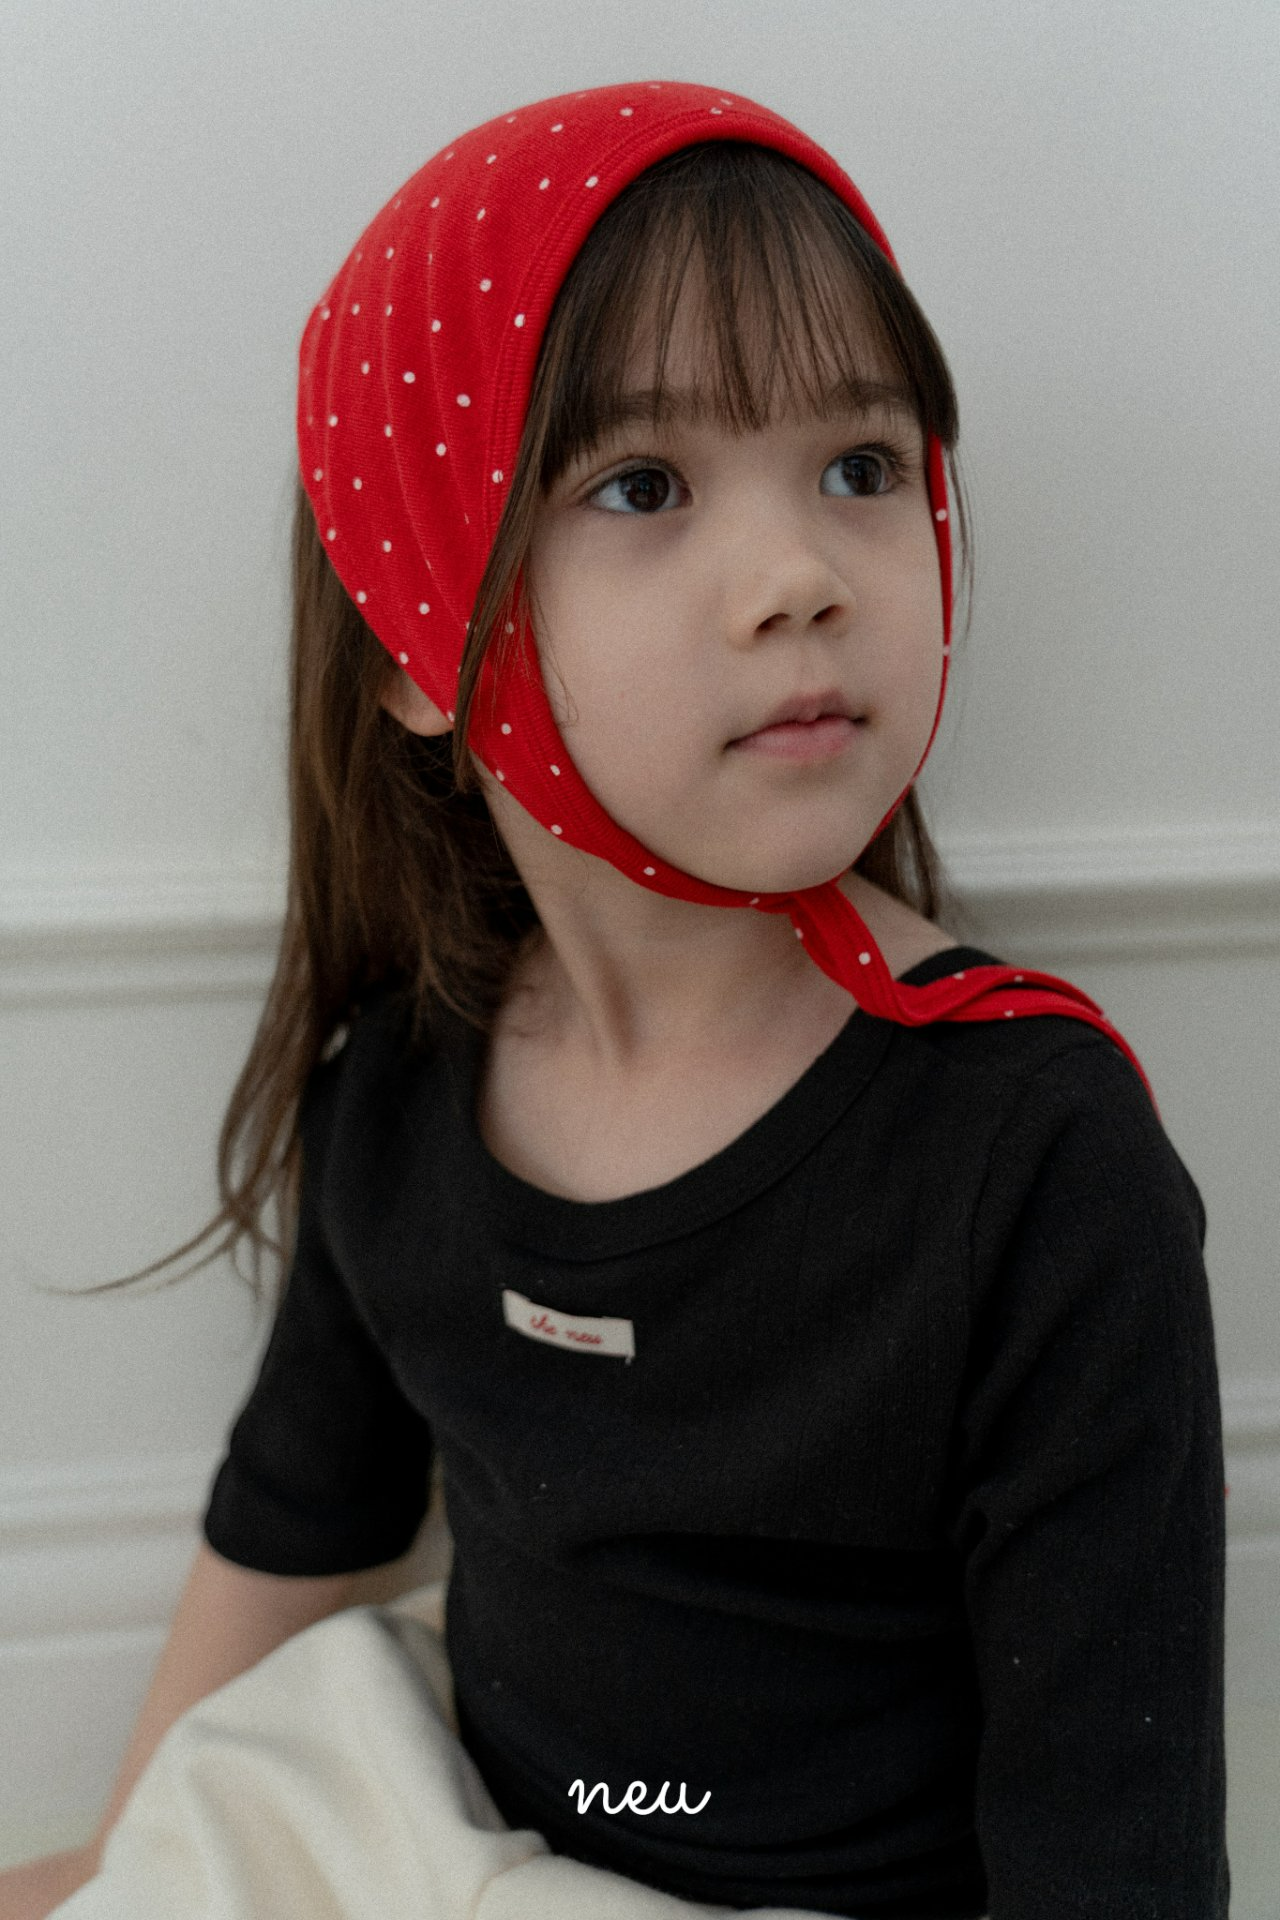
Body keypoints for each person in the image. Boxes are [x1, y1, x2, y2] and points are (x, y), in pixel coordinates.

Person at [3, 77, 1228, 1920]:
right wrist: (117, 1854)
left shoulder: (1034, 1155)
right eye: (642, 485)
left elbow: (1115, 1839)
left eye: (863, 465)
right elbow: (299, 1512)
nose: (801, 577)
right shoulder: (403, 1079)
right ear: (420, 633)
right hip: (450, 1835)